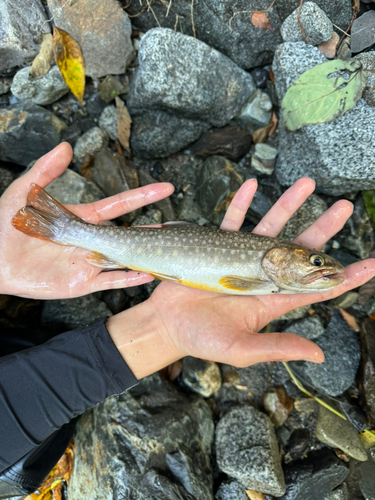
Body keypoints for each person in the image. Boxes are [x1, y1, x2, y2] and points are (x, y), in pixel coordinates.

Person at [0, 143, 374, 488]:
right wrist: (163, 333)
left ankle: (63, 231)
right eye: (314, 261)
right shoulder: (259, 275)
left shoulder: (265, 272)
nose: (321, 266)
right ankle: (63, 229)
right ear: (279, 258)